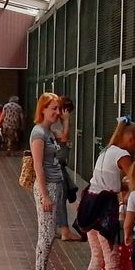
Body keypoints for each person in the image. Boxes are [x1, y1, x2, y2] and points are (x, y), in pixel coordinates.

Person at [79, 116, 135, 270]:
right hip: (105, 210)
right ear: (130, 138)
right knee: (111, 259)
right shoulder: (122, 155)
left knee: (96, 257)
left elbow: (114, 183)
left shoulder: (106, 151)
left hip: (90, 205)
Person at [29, 93, 66, 270]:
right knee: (46, 234)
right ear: (43, 109)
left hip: (55, 184)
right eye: (53, 108)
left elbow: (65, 139)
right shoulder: (39, 134)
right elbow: (38, 166)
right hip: (48, 186)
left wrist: (66, 121)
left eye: (59, 109)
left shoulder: (49, 131)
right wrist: (45, 195)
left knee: (50, 233)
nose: (57, 112)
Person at [52, 96, 83, 242]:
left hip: (59, 162)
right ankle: (65, 230)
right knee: (61, 196)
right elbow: (64, 137)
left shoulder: (57, 121)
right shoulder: (57, 121)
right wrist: (66, 121)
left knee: (61, 195)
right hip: (56, 164)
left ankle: (56, 227)